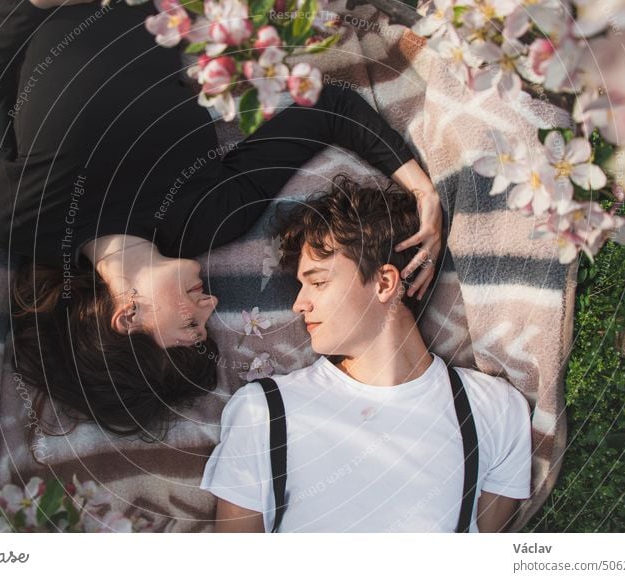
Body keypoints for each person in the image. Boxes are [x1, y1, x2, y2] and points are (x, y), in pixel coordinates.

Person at [0, 0, 443, 437]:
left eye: (191, 326)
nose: (210, 304)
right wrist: (420, 187)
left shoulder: (20, 220)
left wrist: (30, 5)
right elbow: (324, 107)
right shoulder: (207, 220)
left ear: (128, 316)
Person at [200, 174, 533, 532]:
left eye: (318, 282)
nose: (299, 304)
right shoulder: (263, 411)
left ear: (385, 282)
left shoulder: (494, 410)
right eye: (301, 285)